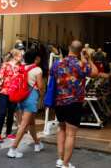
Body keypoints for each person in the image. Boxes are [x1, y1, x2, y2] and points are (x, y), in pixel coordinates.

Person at [51, 40, 98, 168]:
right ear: (80, 51)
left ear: (68, 48)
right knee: (71, 134)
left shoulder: (57, 63)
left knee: (61, 129)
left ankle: (60, 159)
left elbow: (53, 78)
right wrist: (88, 60)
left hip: (59, 101)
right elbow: (95, 73)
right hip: (74, 102)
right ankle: (65, 164)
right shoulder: (81, 64)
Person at [7, 50, 45, 158]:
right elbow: (40, 86)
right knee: (24, 125)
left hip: (21, 97)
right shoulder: (37, 69)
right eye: (39, 57)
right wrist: (42, 96)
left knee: (31, 123)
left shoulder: (22, 67)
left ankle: (37, 144)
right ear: (36, 59)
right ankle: (13, 149)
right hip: (31, 98)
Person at [0, 49, 23, 143]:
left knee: (11, 113)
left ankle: (8, 132)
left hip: (14, 93)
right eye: (20, 55)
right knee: (2, 112)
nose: (21, 57)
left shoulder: (20, 66)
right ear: (15, 56)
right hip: (4, 92)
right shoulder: (5, 65)